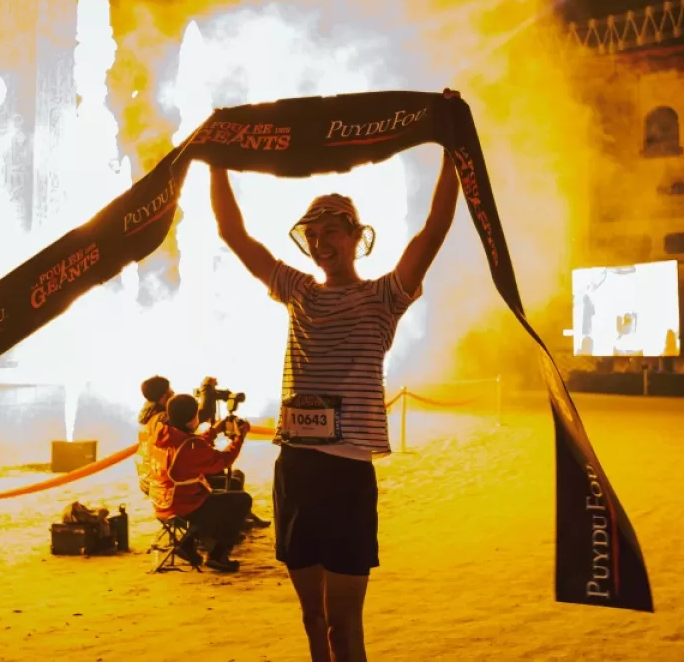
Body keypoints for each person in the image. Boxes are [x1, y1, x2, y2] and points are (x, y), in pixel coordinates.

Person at [210, 150, 459, 662]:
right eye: (314, 235)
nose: (321, 245)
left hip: (347, 474)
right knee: (312, 619)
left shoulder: (386, 296)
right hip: (296, 469)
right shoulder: (297, 291)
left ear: (355, 235)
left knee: (343, 626)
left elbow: (433, 230)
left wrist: (453, 153)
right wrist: (216, 163)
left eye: (332, 233)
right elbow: (234, 235)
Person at [146, 393, 253, 572]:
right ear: (191, 419)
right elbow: (222, 460)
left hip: (161, 500)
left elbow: (188, 446)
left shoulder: (163, 434)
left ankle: (187, 543)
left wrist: (213, 432)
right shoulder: (190, 446)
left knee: (220, 497)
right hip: (182, 504)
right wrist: (239, 438)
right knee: (241, 500)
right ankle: (217, 554)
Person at [135, 375, 173, 496]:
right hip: (160, 485)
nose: (173, 392)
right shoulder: (162, 419)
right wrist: (207, 389)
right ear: (163, 397)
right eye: (170, 390)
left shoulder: (148, 417)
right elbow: (194, 418)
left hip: (147, 480)